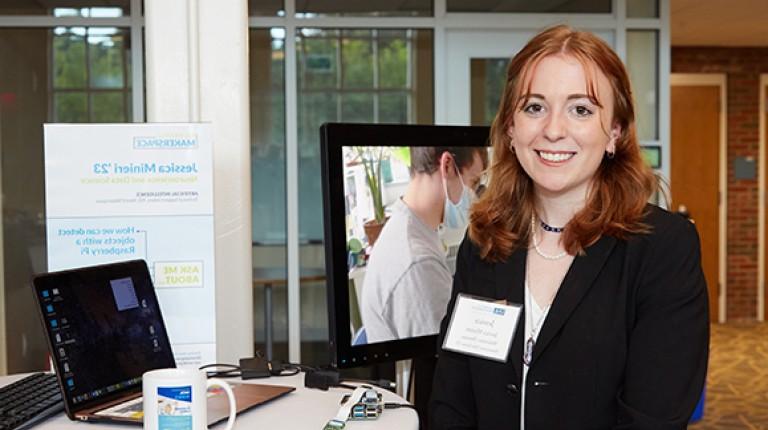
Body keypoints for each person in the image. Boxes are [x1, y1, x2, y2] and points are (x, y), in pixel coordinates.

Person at [430, 25, 709, 429]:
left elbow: (653, 420)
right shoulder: (486, 240)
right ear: (510, 128)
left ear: (614, 132)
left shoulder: (663, 249)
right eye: (534, 107)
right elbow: (452, 400)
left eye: (581, 109)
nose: (554, 130)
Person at [360, 145, 487, 344]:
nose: (474, 198)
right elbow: (447, 360)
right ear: (447, 166)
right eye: (473, 182)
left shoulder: (409, 228)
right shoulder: (417, 262)